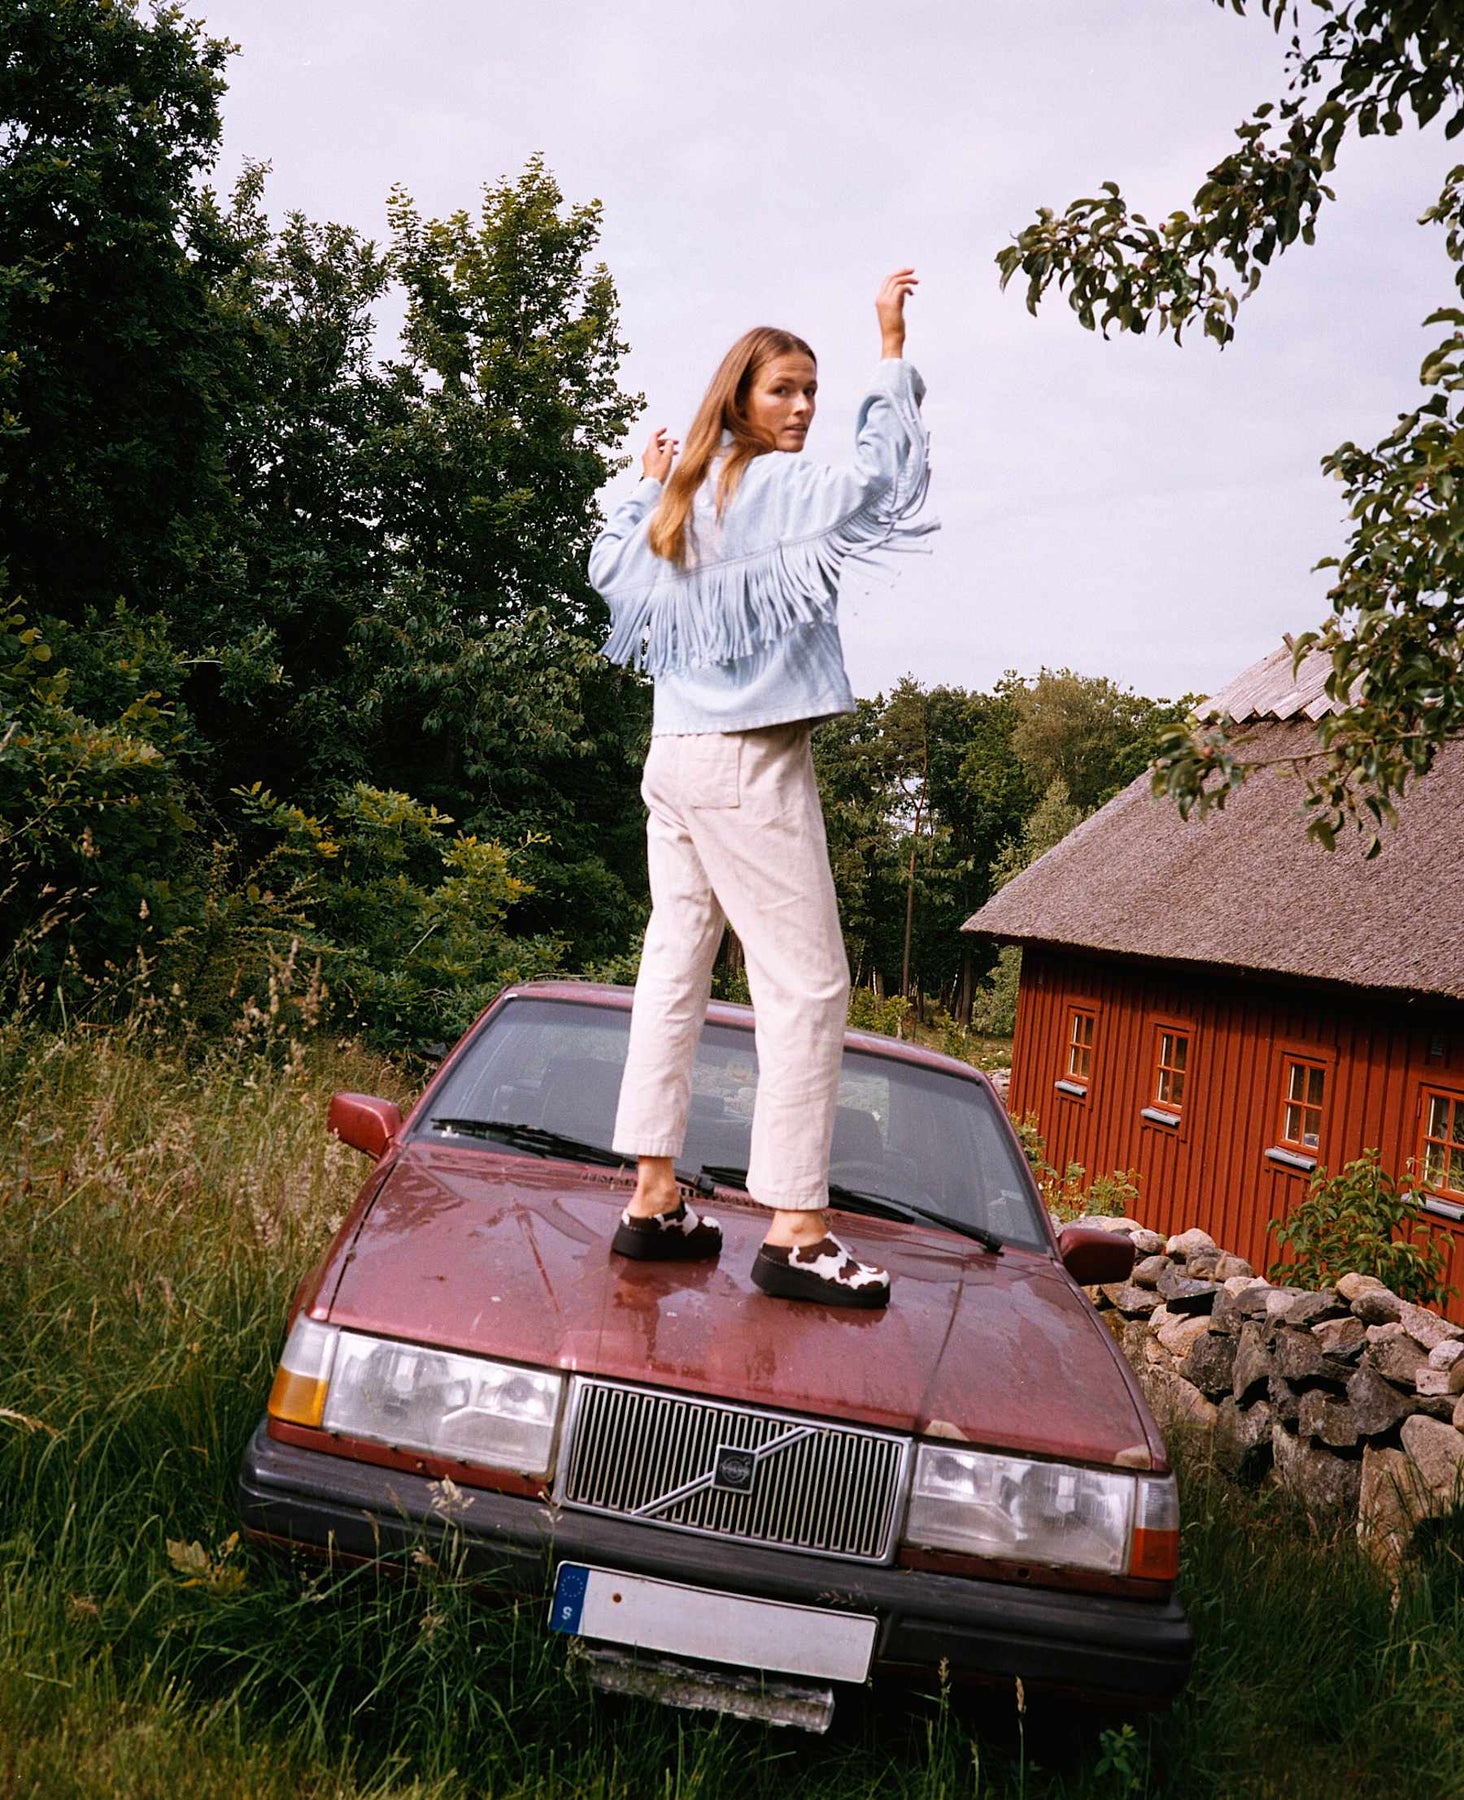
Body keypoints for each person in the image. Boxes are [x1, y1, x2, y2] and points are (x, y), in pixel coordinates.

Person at [588, 270, 933, 1308]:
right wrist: (890, 351)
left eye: (813, 391)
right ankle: (795, 1231)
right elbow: (882, 480)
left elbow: (608, 570)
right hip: (746, 761)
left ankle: (653, 1199)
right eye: (784, 389)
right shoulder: (774, 487)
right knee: (809, 986)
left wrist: (640, 482)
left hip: (673, 760)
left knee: (675, 968)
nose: (804, 407)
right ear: (738, 397)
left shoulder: (679, 499)